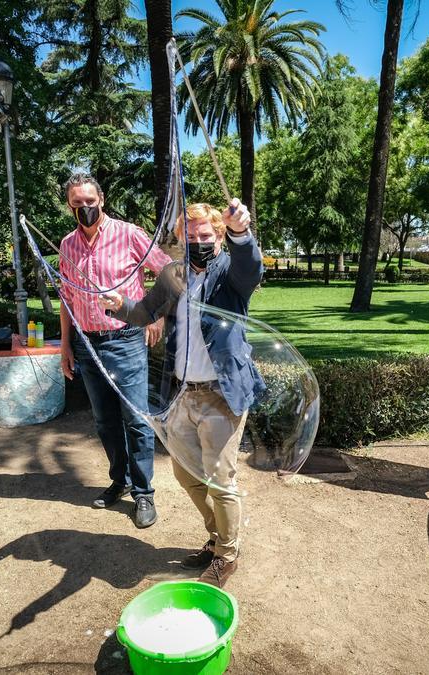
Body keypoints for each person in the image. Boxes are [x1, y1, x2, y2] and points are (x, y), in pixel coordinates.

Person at [99, 199, 262, 588]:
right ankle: (217, 537)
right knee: (187, 475)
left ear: (218, 236)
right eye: (189, 237)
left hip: (222, 394)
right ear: (179, 241)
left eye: (205, 235)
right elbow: (145, 313)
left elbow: (250, 267)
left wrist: (242, 232)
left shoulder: (230, 272)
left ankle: (227, 554)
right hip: (181, 394)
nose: (198, 242)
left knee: (221, 479)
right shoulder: (172, 275)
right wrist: (121, 306)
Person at [58, 172, 170, 528]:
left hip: (124, 341)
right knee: (105, 422)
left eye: (90, 201)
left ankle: (144, 493)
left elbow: (168, 271)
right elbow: (66, 298)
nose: (85, 208)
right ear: (69, 205)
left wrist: (154, 314)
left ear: (101, 200)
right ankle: (119, 481)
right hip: (86, 343)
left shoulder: (129, 234)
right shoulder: (67, 245)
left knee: (136, 419)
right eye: (77, 203)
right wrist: (65, 345)